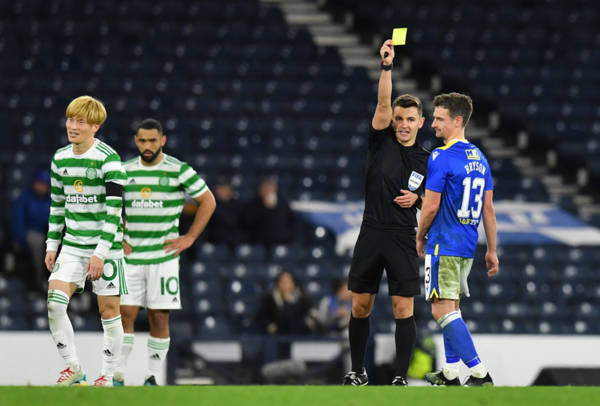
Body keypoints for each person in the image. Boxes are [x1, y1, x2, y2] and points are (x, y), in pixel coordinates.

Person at [343, 39, 430, 386]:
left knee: (402, 309)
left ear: (421, 122)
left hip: (402, 236)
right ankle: (358, 371)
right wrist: (386, 67)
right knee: (360, 305)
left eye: (410, 119)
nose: (403, 124)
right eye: (399, 118)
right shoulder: (381, 141)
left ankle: (400, 377)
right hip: (371, 231)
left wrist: (419, 201)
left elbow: (436, 201)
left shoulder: (429, 160)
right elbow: (382, 100)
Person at [114, 118, 216, 386]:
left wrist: (190, 237)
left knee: (159, 317)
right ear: (136, 141)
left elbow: (208, 201)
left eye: (152, 140)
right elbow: (108, 205)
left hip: (163, 257)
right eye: (142, 141)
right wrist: (118, 234)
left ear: (163, 141)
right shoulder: (124, 170)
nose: (147, 146)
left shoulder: (178, 170)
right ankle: (118, 375)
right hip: (131, 257)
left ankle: (152, 376)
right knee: (125, 314)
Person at [416, 92, 499, 386]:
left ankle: (479, 372)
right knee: (452, 309)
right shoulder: (479, 157)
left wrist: (420, 234)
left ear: (457, 120)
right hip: (466, 245)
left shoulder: (441, 156)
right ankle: (451, 372)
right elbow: (488, 209)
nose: (433, 124)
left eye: (439, 118)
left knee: (440, 309)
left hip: (444, 242)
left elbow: (431, 205)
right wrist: (491, 249)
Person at [45, 95, 127, 386]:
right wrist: (52, 245)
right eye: (70, 119)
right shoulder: (60, 158)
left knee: (108, 311)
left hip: (107, 248)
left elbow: (114, 212)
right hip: (73, 246)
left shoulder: (110, 159)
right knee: (55, 303)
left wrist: (101, 253)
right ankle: (74, 368)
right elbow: (57, 206)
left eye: (80, 121)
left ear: (95, 126)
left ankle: (106, 376)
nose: (73, 126)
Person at [11, 170, 51, 291]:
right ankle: (39, 280)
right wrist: (20, 240)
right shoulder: (24, 198)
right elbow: (18, 222)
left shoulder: (51, 200)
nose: (41, 187)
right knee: (37, 241)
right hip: (30, 234)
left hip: (48, 234)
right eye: (39, 183)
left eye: (44, 184)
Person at [242, 175, 296, 251]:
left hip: (281, 242)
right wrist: (265, 208)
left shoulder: (283, 203)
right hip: (258, 244)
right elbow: (248, 223)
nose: (268, 190)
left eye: (270, 187)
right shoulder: (252, 204)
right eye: (265, 187)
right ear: (260, 189)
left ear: (275, 188)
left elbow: (291, 223)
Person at [203, 176, 243, 250]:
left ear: (230, 190)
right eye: (220, 188)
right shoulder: (209, 205)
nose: (223, 190)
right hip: (215, 243)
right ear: (216, 190)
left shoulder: (238, 205)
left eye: (226, 188)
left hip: (235, 243)